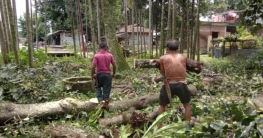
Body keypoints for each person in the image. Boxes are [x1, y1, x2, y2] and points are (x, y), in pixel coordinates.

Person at [157, 39, 192, 128]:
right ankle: (188, 125)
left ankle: (159, 127)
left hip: (168, 83)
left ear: (167, 48)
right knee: (187, 105)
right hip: (182, 83)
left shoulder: (163, 58)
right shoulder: (184, 57)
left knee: (162, 106)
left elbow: (162, 71)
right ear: (177, 48)